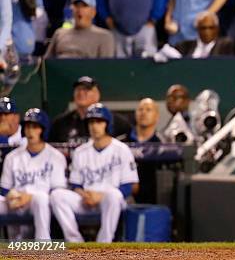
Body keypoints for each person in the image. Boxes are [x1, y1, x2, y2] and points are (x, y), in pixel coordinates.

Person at [50, 103, 139, 243]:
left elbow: (131, 186)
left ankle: (103, 244)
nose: (94, 126)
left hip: (110, 202)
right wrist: (84, 195)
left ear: (107, 124)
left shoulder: (121, 150)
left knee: (114, 195)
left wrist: (101, 196)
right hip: (87, 200)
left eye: (99, 122)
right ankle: (75, 242)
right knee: (57, 195)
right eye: (91, 122)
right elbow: (75, 184)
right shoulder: (81, 151)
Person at [0, 108, 67, 240]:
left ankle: (42, 245)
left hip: (42, 202)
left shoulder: (56, 156)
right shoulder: (12, 157)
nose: (30, 131)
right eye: (28, 127)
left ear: (43, 130)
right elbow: (4, 189)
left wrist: (29, 197)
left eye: (35, 127)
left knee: (40, 199)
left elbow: (57, 192)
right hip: (16, 202)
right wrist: (10, 196)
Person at [50, 76, 131, 143]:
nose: (81, 93)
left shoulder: (116, 122)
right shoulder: (60, 123)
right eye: (78, 89)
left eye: (86, 89)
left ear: (97, 95)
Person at [45, 0, 114, 59]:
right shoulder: (59, 33)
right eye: (76, 6)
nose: (79, 10)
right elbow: (46, 64)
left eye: (84, 6)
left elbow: (105, 68)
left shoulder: (104, 36)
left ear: (93, 12)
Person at [121, 98, 161, 204]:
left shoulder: (162, 144)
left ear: (157, 116)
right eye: (140, 109)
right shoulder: (121, 143)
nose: (143, 112)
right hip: (123, 197)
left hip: (152, 200)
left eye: (148, 110)